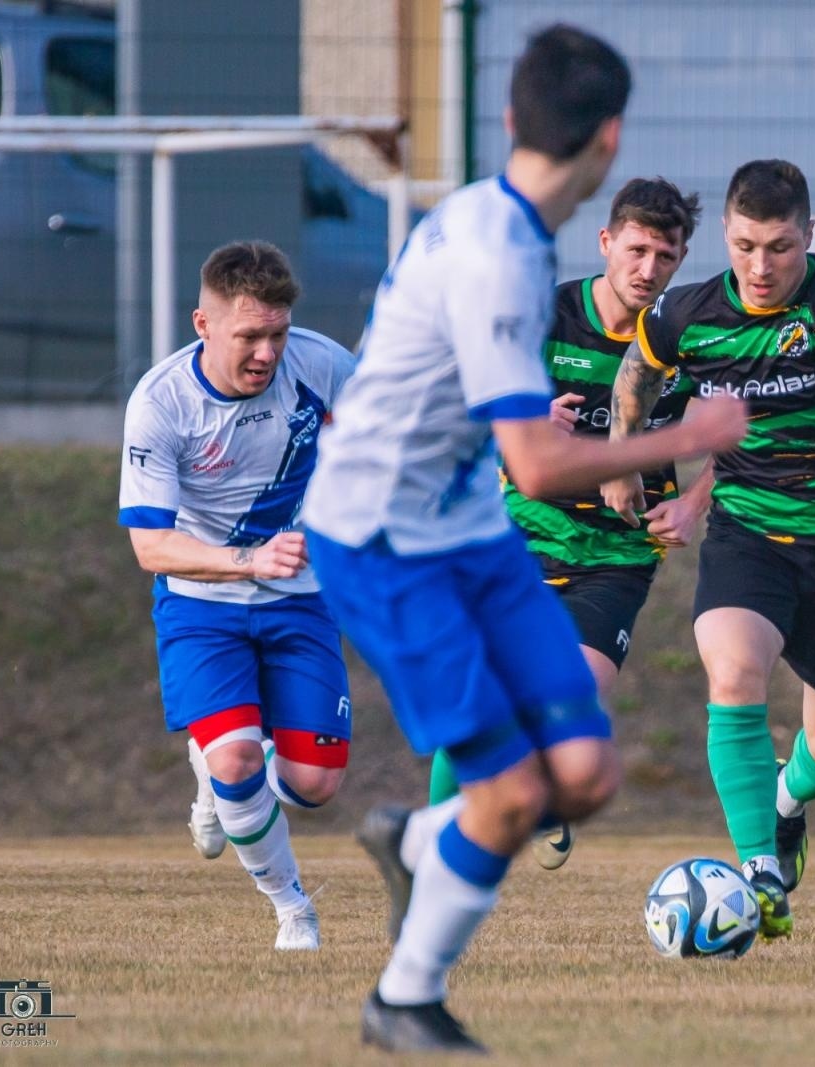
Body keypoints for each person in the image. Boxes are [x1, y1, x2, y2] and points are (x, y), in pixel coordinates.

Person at [300, 25, 747, 1055]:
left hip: (463, 531)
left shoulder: (487, 221)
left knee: (583, 774)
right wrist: (690, 437)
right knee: (508, 793)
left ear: (510, 118)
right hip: (381, 539)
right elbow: (538, 466)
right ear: (609, 137)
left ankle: (416, 839)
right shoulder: (500, 257)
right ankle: (403, 998)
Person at [602, 159, 815, 941]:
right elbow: (637, 372)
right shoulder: (686, 314)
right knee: (733, 667)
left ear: (809, 237)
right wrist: (624, 456)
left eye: (781, 247)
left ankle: (786, 806)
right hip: (748, 533)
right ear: (726, 235)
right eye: (747, 245)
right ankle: (759, 875)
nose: (761, 266)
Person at [425, 176, 711, 873]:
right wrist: (512, 431)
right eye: (637, 250)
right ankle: (434, 849)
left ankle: (544, 797)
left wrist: (693, 502)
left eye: (666, 256)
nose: (649, 270)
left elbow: (743, 433)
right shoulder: (545, 316)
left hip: (617, 553)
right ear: (606, 241)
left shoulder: (688, 335)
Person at [118, 240, 357, 952]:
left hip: (300, 595)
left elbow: (379, 440)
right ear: (204, 324)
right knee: (236, 759)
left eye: (277, 333)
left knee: (315, 783)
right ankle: (293, 907)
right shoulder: (161, 404)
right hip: (201, 603)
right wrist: (249, 557)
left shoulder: (320, 363)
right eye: (249, 335)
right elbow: (149, 547)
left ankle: (227, 789)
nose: (266, 352)